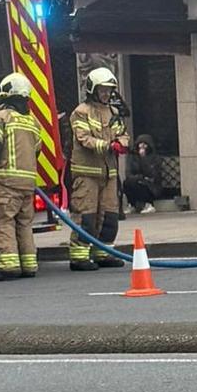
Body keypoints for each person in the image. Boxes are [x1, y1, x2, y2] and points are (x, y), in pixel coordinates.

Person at [0, 72, 42, 282]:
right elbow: (36, 150)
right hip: (27, 183)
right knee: (24, 224)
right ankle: (29, 265)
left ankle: (9, 266)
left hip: (6, 183)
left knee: (3, 223)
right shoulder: (33, 123)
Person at [67, 67, 129, 271]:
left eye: (109, 90)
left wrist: (122, 142)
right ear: (93, 89)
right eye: (102, 90)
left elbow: (122, 133)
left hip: (109, 173)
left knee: (110, 215)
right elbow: (84, 139)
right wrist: (108, 145)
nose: (106, 94)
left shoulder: (113, 112)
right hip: (87, 173)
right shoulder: (81, 112)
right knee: (86, 215)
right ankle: (79, 256)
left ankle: (104, 253)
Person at [124, 134, 162, 214]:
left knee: (142, 185)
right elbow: (128, 173)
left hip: (150, 185)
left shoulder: (155, 158)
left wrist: (143, 158)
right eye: (140, 144)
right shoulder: (132, 157)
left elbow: (152, 174)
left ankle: (148, 204)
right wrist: (139, 177)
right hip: (137, 180)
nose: (142, 146)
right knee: (127, 183)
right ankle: (132, 204)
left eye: (145, 144)